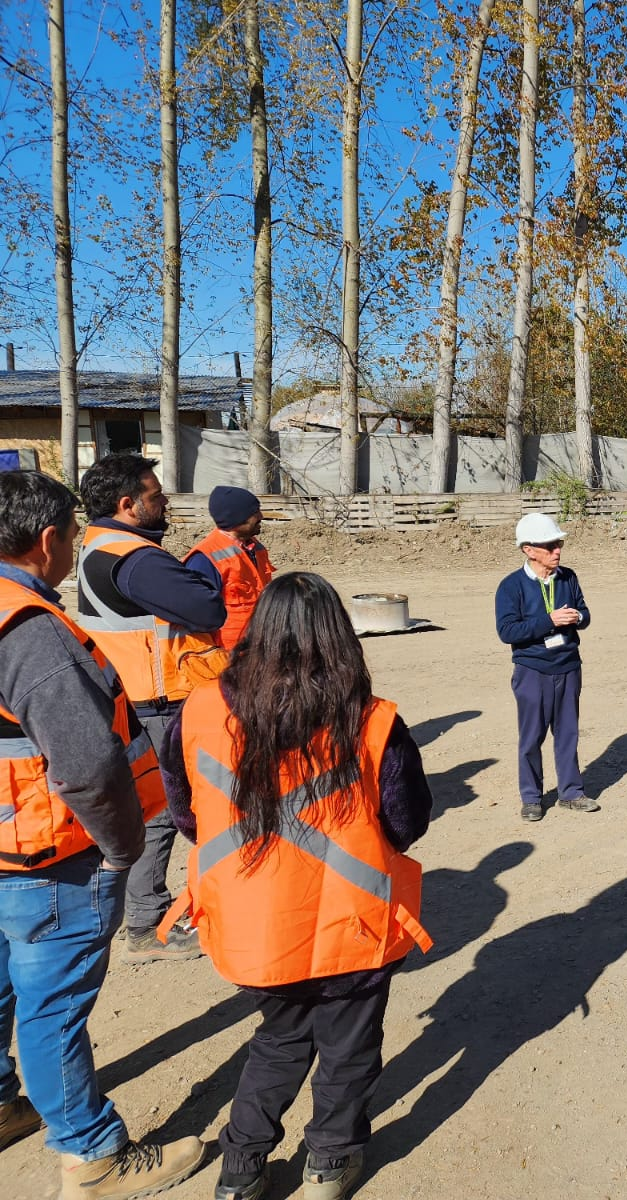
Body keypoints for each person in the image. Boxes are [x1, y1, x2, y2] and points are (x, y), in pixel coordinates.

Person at [156, 572, 433, 1200]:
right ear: (341, 641)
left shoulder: (199, 711)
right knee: (349, 1047)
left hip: (255, 926)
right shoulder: (374, 722)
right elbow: (407, 821)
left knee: (279, 1041)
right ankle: (329, 1166)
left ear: (254, 634)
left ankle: (241, 1171)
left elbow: (185, 814)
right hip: (353, 926)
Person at [0, 471, 204, 1199]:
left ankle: (0, 1102)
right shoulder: (29, 631)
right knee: (52, 1003)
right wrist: (120, 846)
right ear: (48, 540)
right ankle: (93, 1158)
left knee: (2, 985)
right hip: (45, 854)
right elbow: (87, 765)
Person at [77, 453, 225, 963]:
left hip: (140, 695)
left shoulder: (101, 544)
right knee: (178, 810)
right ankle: (153, 919)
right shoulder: (136, 558)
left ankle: (147, 916)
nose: (165, 502)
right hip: (163, 700)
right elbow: (209, 607)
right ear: (127, 504)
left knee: (158, 809)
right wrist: (201, 584)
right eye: (156, 495)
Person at [495, 511, 598, 821]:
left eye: (558, 544)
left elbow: (585, 612)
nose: (557, 551)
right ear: (529, 549)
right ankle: (531, 797)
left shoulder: (568, 577)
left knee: (568, 733)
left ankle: (571, 793)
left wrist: (578, 618)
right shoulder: (511, 586)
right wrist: (549, 621)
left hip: (568, 666)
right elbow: (507, 631)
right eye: (550, 545)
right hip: (532, 671)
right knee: (531, 737)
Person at [184, 486, 276, 650]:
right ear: (237, 519)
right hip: (227, 657)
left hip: (258, 649)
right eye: (254, 512)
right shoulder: (204, 559)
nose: (261, 516)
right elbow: (195, 617)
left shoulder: (256, 549)